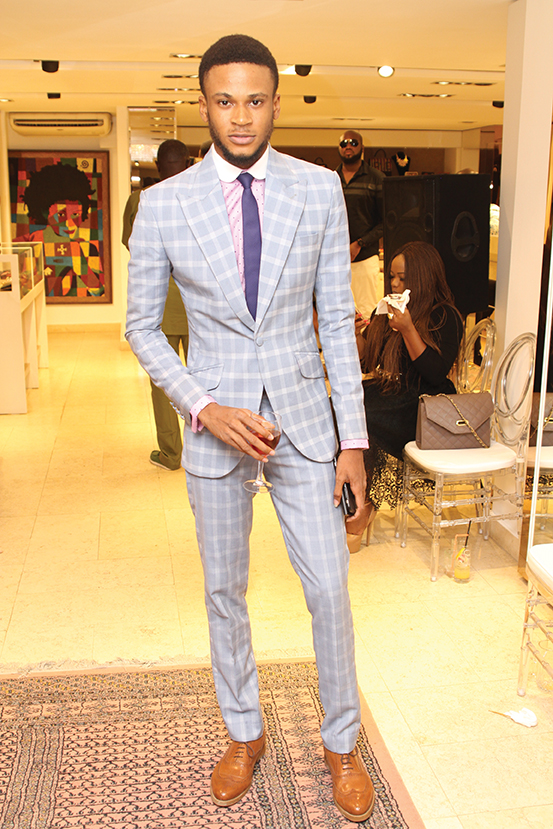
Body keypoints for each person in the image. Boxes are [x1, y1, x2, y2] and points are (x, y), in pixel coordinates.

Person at [126, 33, 375, 823]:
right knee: (223, 592)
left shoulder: (318, 189)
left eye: (255, 100)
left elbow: (336, 321)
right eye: (225, 101)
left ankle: (341, 744)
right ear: (203, 104)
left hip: (303, 422)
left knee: (329, 588)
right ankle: (243, 732)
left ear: (275, 102)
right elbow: (140, 327)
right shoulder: (164, 203)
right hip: (216, 425)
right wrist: (202, 405)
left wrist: (353, 442)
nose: (240, 117)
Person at [346, 241, 464, 551]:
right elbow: (367, 362)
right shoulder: (386, 309)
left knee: (366, 418)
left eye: (403, 278)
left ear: (422, 278)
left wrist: (409, 329)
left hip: (424, 406)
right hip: (392, 392)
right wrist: (356, 335)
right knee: (339, 409)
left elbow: (435, 374)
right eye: (392, 277)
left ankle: (363, 506)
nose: (395, 284)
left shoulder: (445, 316)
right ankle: (348, 500)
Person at [122, 139, 190, 470]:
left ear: (158, 167)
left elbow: (131, 243)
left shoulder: (141, 200)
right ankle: (211, 450)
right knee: (209, 379)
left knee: (164, 381)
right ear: (189, 164)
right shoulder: (204, 197)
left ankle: (171, 453)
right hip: (201, 308)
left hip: (159, 307)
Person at [14, 162, 103, 298]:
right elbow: (22, 294)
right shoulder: (27, 245)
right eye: (61, 215)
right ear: (44, 212)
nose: (69, 223)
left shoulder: (87, 248)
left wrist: (82, 267)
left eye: (76, 214)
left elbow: (100, 294)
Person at [336, 131, 385, 321]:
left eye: (353, 143)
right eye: (344, 143)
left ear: (362, 148)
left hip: (365, 258)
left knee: (365, 314)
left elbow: (385, 222)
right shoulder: (332, 178)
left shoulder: (376, 178)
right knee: (338, 313)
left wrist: (360, 243)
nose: (348, 146)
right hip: (335, 259)